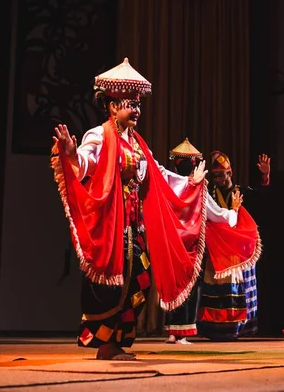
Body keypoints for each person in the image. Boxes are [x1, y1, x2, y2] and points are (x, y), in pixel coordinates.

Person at [50, 58, 240, 360]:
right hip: (112, 225)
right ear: (113, 106)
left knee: (141, 279)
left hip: (134, 227)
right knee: (113, 284)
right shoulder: (99, 135)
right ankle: (105, 343)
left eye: (138, 105)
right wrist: (73, 155)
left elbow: (159, 174)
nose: (137, 110)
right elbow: (87, 162)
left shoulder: (138, 143)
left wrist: (190, 182)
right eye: (130, 104)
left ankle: (121, 341)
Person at [162, 138, 247, 344]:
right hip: (190, 242)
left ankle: (173, 332)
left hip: (172, 240)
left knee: (175, 283)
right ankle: (182, 332)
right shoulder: (197, 186)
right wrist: (233, 212)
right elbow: (215, 213)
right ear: (195, 165)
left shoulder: (168, 183)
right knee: (189, 286)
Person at [193, 150, 270, 340]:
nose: (219, 179)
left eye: (222, 175)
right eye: (215, 176)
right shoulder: (210, 194)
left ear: (230, 173)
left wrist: (265, 176)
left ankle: (239, 327)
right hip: (219, 250)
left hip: (238, 250)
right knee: (217, 288)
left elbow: (263, 199)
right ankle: (214, 329)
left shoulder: (241, 192)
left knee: (239, 288)